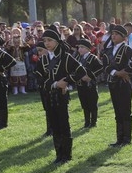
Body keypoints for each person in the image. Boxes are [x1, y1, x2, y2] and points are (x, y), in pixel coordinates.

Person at [36, 29, 87, 164]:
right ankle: (59, 155)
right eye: (45, 41)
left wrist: (67, 81)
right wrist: (54, 84)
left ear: (57, 41)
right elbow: (38, 78)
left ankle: (67, 155)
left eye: (50, 40)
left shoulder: (66, 57)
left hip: (61, 97)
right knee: (54, 125)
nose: (47, 43)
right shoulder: (44, 59)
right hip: (49, 95)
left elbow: (81, 71)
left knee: (64, 124)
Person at [102, 24, 132, 147]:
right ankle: (119, 138)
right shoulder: (108, 50)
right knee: (117, 111)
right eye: (112, 34)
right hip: (113, 83)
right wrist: (117, 73)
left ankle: (126, 139)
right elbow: (105, 65)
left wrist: (126, 71)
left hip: (124, 84)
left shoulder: (126, 48)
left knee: (125, 110)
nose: (113, 36)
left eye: (116, 34)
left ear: (123, 37)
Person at [75, 39, 103, 129]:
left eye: (82, 47)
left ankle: (93, 121)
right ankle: (87, 122)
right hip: (80, 84)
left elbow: (101, 68)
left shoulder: (93, 58)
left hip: (90, 84)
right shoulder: (77, 58)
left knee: (92, 103)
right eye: (79, 47)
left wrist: (91, 76)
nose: (80, 49)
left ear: (88, 49)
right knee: (84, 103)